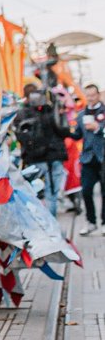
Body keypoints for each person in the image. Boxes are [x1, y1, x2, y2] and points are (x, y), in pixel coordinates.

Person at [13, 84, 71, 217]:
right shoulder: (29, 113)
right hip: (42, 158)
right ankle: (49, 225)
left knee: (42, 194)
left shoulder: (46, 111)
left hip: (45, 157)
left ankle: (48, 226)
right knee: (48, 194)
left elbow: (63, 130)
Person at [72, 84, 105, 235]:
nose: (90, 98)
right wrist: (65, 129)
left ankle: (104, 222)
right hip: (87, 158)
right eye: (88, 95)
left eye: (93, 95)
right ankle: (90, 221)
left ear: (98, 95)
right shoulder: (81, 115)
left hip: (102, 156)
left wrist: (98, 128)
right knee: (86, 191)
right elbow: (77, 135)